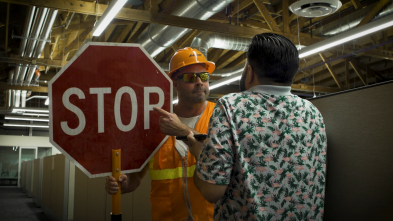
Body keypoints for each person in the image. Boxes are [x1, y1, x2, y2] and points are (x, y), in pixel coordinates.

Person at [187, 33, 328, 221]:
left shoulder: (231, 106)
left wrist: (198, 151)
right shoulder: (313, 113)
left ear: (250, 71)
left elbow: (211, 190)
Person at [105, 47, 217, 221]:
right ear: (175, 84)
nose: (199, 82)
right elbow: (136, 178)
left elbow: (222, 155)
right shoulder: (155, 123)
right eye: (190, 77)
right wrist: (124, 184)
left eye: (204, 76)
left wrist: (182, 130)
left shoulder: (220, 116)